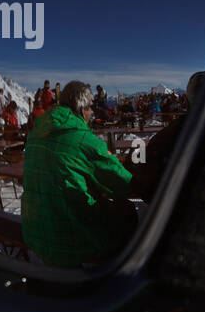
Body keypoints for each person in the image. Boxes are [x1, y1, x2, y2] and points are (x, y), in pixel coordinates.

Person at [21, 81, 137, 268]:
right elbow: (123, 184)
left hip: (34, 231)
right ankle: (116, 275)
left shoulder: (36, 133)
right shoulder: (85, 140)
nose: (92, 113)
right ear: (82, 109)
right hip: (68, 240)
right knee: (127, 211)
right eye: (91, 107)